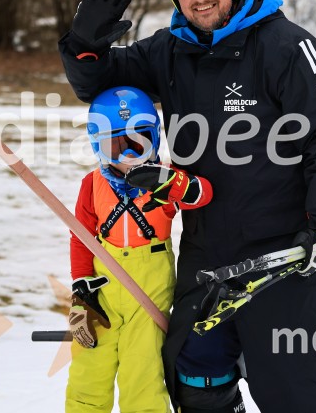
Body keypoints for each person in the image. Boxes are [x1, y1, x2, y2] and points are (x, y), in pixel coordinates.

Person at [59, 0, 316, 413]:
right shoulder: (171, 50)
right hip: (207, 256)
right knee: (194, 377)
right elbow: (103, 82)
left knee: (306, 390)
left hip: (287, 255)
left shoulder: (286, 48)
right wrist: (84, 44)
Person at [66, 85, 213, 412]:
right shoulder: (92, 186)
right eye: (116, 145)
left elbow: (203, 195)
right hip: (102, 292)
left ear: (155, 139)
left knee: (142, 376)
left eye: (139, 141)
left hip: (150, 292)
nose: (129, 156)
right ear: (97, 144)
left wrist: (174, 184)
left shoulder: (165, 180)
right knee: (88, 373)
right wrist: (80, 292)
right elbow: (81, 238)